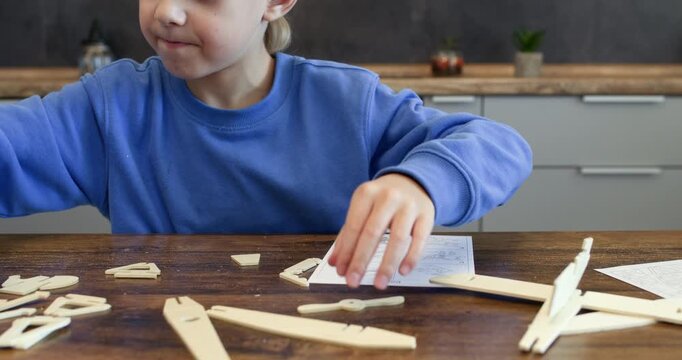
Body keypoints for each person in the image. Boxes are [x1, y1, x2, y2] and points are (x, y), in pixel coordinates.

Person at [0, 0, 532, 290]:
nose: (167, 11)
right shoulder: (111, 108)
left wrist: (420, 182)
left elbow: (498, 145)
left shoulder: (347, 101)